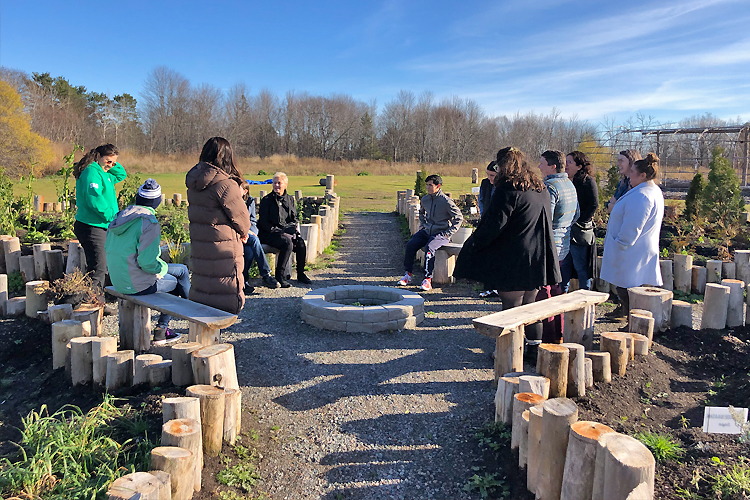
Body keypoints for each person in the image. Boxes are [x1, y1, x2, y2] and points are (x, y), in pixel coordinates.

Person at [454, 147, 560, 346]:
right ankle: (533, 347)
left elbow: (495, 224)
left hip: (515, 256)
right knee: (530, 306)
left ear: (503, 166)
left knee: (511, 306)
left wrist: (475, 244)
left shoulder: (509, 188)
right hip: (538, 254)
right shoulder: (539, 187)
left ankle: (510, 353)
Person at [105, 179, 185, 344]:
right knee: (178, 281)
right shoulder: (148, 222)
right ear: (157, 202)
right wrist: (161, 270)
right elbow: (147, 263)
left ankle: (169, 325)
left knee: (182, 269)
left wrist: (161, 267)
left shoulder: (120, 217)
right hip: (136, 284)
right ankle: (166, 328)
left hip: (119, 279)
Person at [186, 137, 251, 314]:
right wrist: (244, 232)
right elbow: (242, 220)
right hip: (224, 248)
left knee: (204, 285)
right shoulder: (226, 184)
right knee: (224, 292)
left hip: (202, 245)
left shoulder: (193, 183)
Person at [600, 153, 664, 319]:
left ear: (642, 175)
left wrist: (621, 243)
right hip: (633, 249)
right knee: (625, 286)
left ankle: (633, 321)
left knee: (629, 287)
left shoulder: (642, 196)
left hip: (631, 250)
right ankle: (628, 315)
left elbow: (633, 225)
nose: (629, 175)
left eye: (633, 172)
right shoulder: (647, 190)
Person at [535, 150, 579, 344]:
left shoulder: (550, 186)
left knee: (544, 292)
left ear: (553, 166)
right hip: (564, 244)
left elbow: (546, 218)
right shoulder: (569, 183)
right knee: (558, 288)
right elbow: (576, 214)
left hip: (550, 245)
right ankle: (558, 333)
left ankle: (547, 336)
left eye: (542, 163)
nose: (539, 166)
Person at [73, 144, 127, 292]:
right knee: (98, 267)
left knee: (102, 265)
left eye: (114, 162)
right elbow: (94, 201)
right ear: (98, 157)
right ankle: (92, 302)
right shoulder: (91, 172)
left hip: (102, 225)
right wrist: (113, 216)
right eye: (108, 161)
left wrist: (111, 164)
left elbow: (122, 174)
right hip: (91, 226)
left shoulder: (105, 173)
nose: (111, 165)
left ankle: (98, 299)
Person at [397, 174, 463, 291]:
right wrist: (422, 224)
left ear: (438, 186)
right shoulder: (425, 199)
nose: (427, 187)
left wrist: (448, 233)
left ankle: (428, 279)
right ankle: (408, 275)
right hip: (427, 231)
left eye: (430, 185)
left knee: (429, 248)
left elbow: (459, 218)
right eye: (426, 185)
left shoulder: (446, 202)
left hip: (441, 233)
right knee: (410, 245)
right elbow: (421, 213)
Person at [257, 172, 312, 287]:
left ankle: (301, 274)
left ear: (285, 184)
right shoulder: (267, 200)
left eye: (279, 183)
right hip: (269, 233)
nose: (276, 185)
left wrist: (294, 232)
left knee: (300, 243)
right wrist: (280, 232)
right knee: (287, 242)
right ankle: (279, 276)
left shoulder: (290, 200)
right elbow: (263, 223)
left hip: (287, 232)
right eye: (274, 183)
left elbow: (294, 218)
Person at [560, 150, 599, 291]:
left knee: (581, 266)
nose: (566, 165)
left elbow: (594, 204)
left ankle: (585, 296)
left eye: (569, 162)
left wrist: (580, 220)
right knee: (564, 266)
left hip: (580, 232)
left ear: (579, 166)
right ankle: (560, 296)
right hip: (567, 232)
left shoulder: (587, 181)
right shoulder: (566, 182)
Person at [241, 184, 280, 293]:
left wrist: (251, 232)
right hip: (237, 235)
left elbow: (253, 221)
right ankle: (266, 274)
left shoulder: (250, 201)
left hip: (248, 235)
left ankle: (244, 282)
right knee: (254, 241)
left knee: (249, 251)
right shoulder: (233, 202)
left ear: (244, 191)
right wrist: (245, 232)